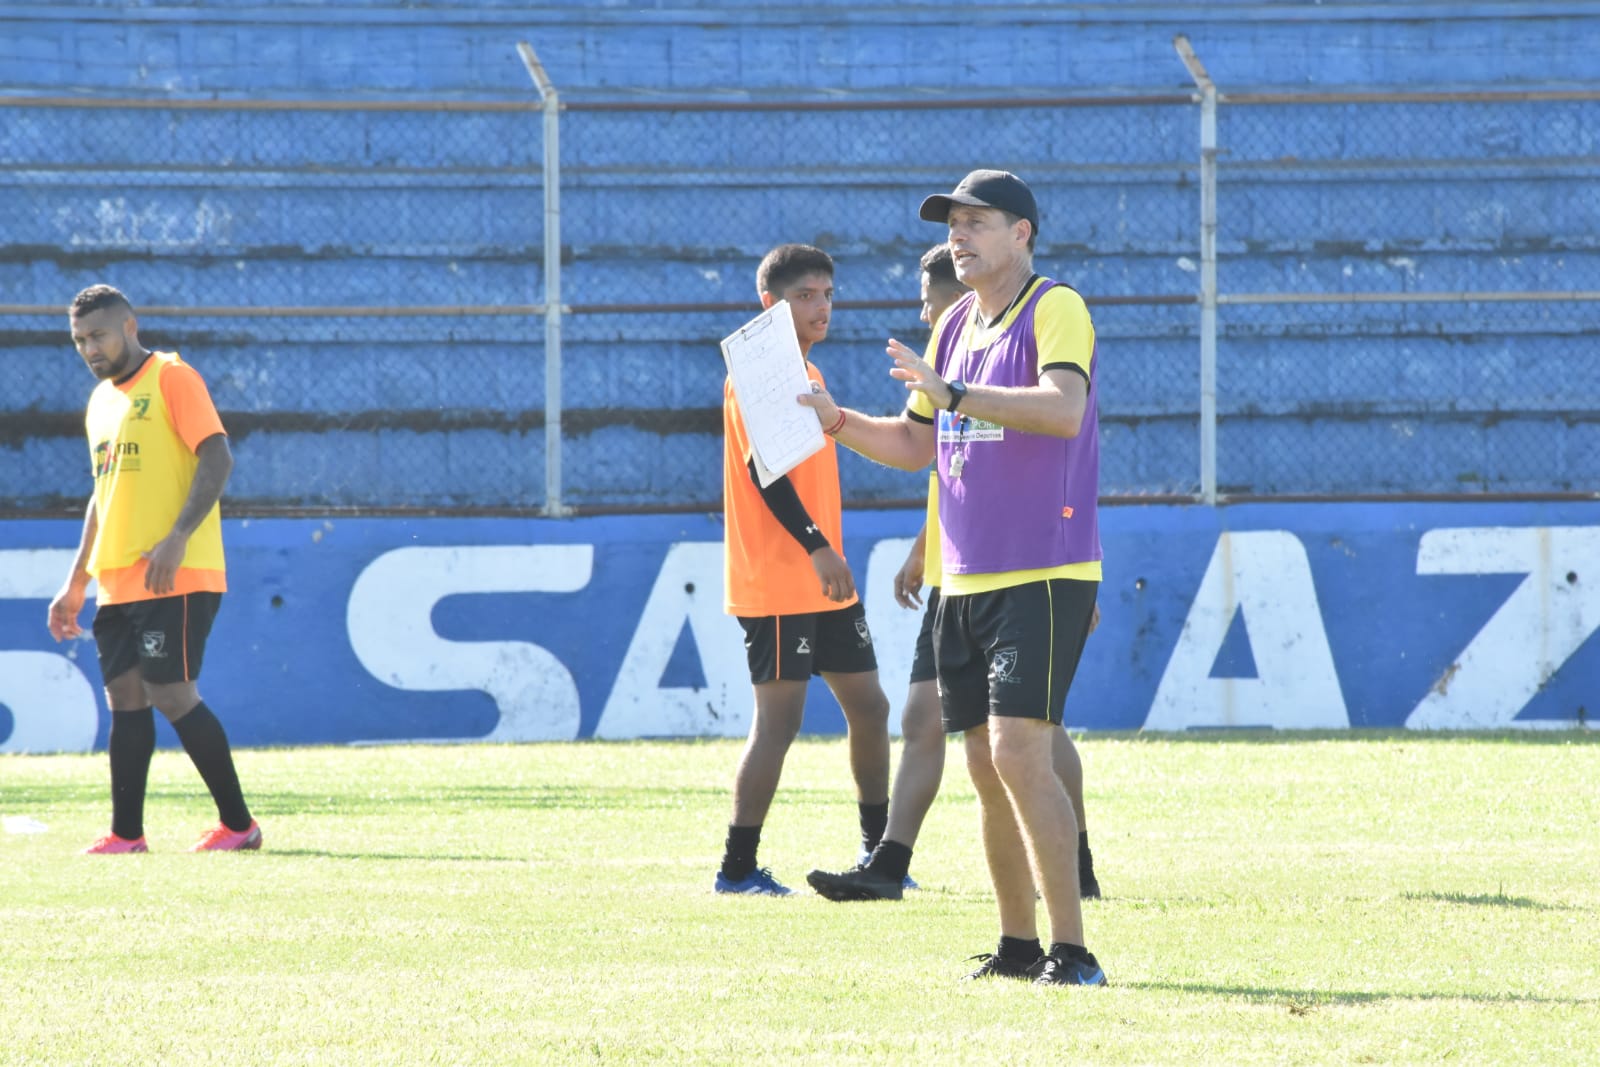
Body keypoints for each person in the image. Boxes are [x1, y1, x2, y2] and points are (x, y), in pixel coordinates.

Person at [797, 171, 1107, 985]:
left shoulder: (1055, 306)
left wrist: (960, 392)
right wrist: (838, 425)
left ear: (1022, 235)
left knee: (1017, 752)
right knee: (983, 763)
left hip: (1043, 567)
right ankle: (1017, 946)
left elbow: (1064, 408)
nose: (960, 236)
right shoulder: (955, 325)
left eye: (978, 222)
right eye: (954, 224)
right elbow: (915, 443)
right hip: (964, 578)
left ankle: (1073, 950)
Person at [47, 285, 262, 854]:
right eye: (79, 340)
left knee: (171, 692)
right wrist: (76, 582)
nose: (89, 349)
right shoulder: (100, 402)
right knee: (125, 697)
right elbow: (103, 495)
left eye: (97, 335)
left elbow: (217, 454)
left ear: (130, 327)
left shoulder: (172, 377)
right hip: (117, 579)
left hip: (176, 570)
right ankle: (127, 834)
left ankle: (240, 826)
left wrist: (177, 538)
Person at [715, 244, 892, 895]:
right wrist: (818, 544)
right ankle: (736, 867)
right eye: (805, 295)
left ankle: (880, 853)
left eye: (827, 293)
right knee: (780, 722)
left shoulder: (808, 372)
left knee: (870, 707)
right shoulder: (753, 374)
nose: (821, 306)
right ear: (770, 304)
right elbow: (766, 475)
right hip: (784, 579)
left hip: (824, 580)